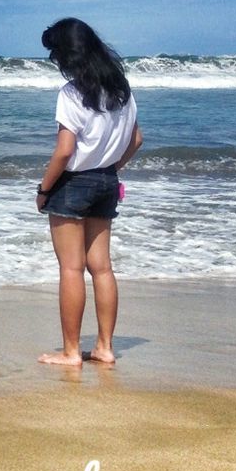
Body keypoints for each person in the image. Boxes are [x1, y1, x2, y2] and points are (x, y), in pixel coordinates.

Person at [35, 18, 143, 367]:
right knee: (102, 268)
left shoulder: (71, 94)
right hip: (107, 182)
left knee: (71, 269)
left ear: (69, 55)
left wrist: (43, 188)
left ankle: (70, 351)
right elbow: (136, 140)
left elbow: (65, 151)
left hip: (74, 184)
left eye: (56, 53)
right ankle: (105, 347)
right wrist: (113, 167)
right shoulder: (121, 88)